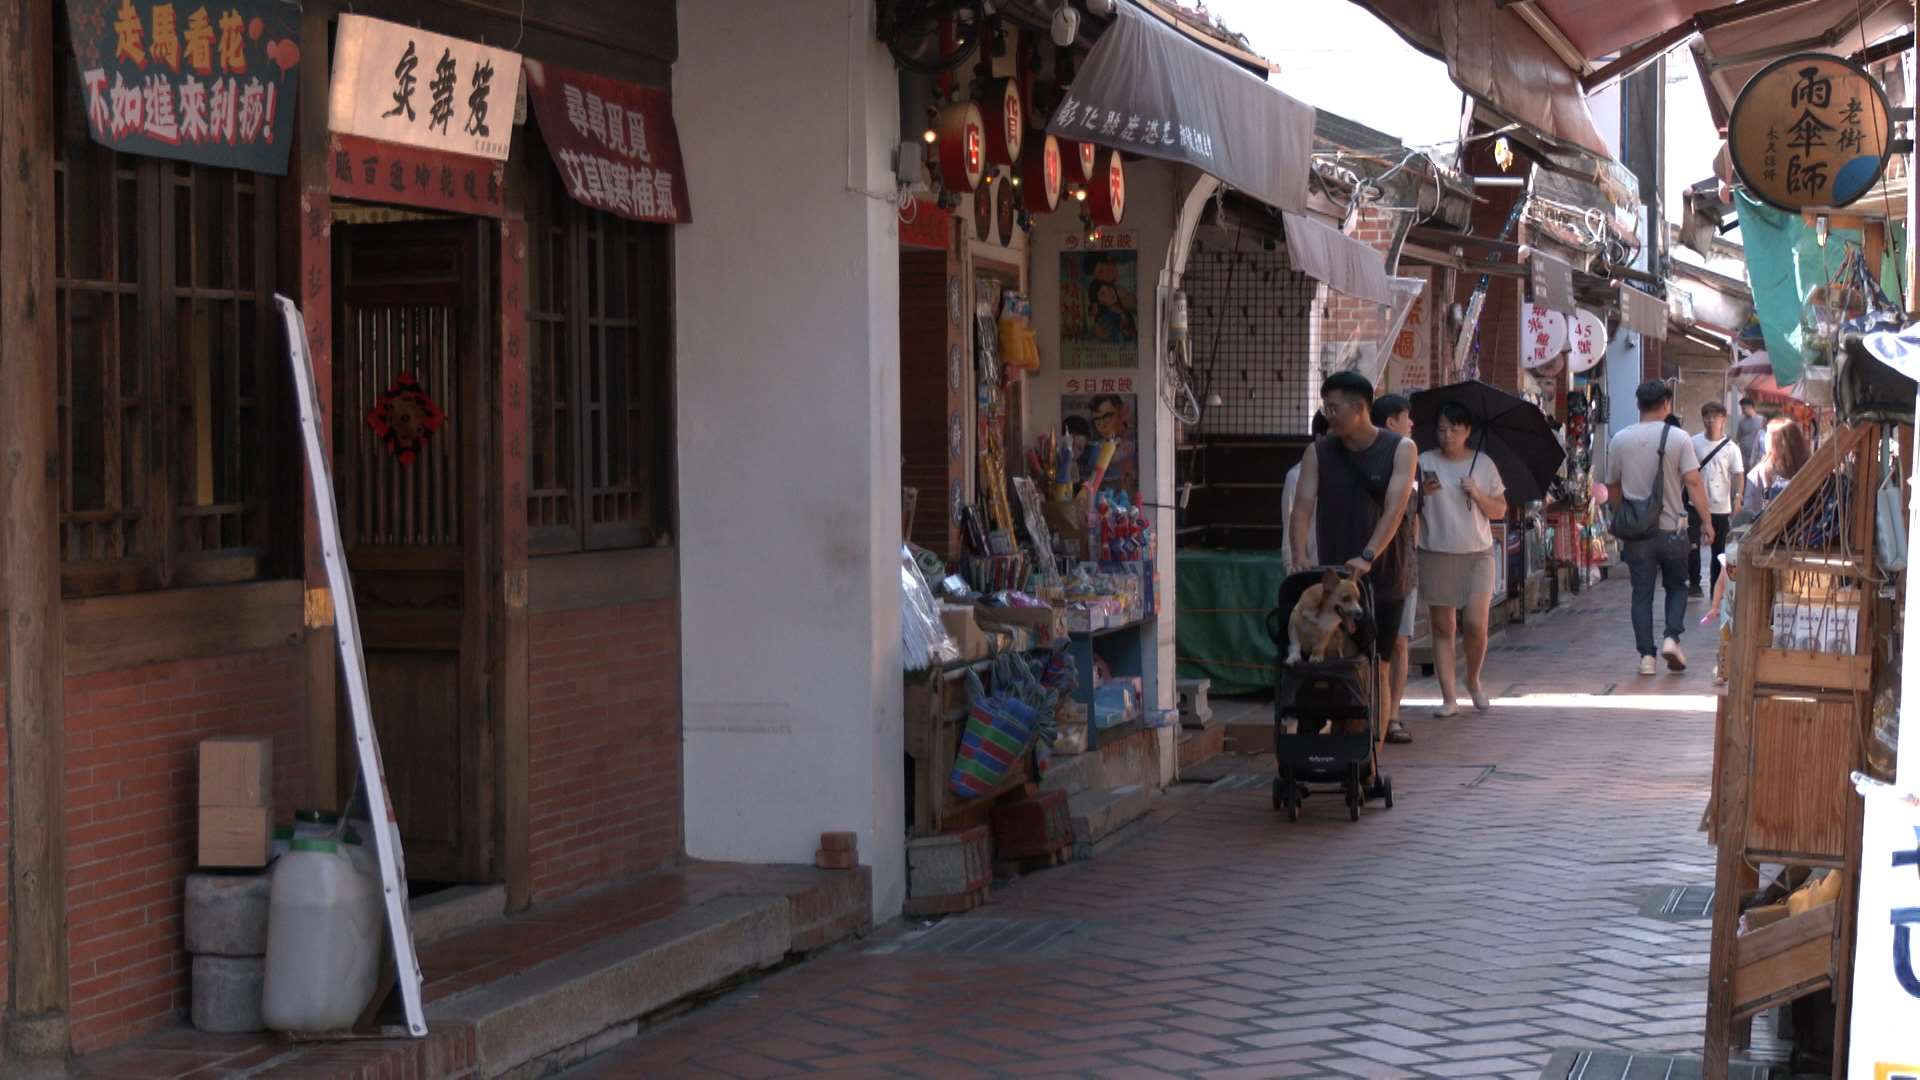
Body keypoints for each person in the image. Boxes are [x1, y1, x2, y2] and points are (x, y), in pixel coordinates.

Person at [1288, 372, 1418, 743]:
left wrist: (1368, 554)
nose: (1327, 415)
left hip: (1386, 576)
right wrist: (1299, 556)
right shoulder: (1318, 452)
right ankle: (1334, 746)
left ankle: (1370, 757)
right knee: (1332, 659)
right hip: (1335, 583)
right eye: (1325, 407)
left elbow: (1395, 508)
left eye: (1334, 408)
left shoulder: (1401, 448)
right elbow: (1302, 508)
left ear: (1359, 408)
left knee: (1378, 665)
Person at [1603, 380, 1715, 676]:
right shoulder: (1679, 438)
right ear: (1666, 404)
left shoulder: (1619, 440)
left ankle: (1646, 658)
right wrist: (1707, 521)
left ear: (1638, 405)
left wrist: (1626, 516)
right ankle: (1671, 638)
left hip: (1638, 535)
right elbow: (1693, 482)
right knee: (1677, 586)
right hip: (1672, 530)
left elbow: (1612, 487)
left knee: (1641, 594)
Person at [1417, 401, 1507, 715]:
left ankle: (1473, 679)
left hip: (1478, 553)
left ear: (1468, 431)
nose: (1448, 436)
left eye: (1455, 430)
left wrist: (1477, 494)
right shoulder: (1424, 461)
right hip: (1436, 551)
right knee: (1443, 628)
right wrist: (1421, 494)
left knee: (1475, 624)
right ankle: (1449, 698)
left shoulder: (1483, 464)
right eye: (1442, 429)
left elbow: (1500, 510)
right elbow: (1404, 504)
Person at [1371, 394, 1418, 737]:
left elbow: (1414, 517)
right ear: (1391, 422)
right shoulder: (1372, 460)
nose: (1411, 423)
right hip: (1373, 567)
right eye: (1406, 417)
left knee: (1400, 641)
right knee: (1375, 648)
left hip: (1405, 567)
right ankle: (1371, 714)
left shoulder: (1412, 460)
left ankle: (1393, 716)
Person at [1689, 402, 1744, 599]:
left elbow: (1738, 474)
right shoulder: (1693, 443)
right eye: (1707, 416)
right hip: (1695, 504)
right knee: (1692, 545)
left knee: (1719, 551)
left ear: (1723, 419)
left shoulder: (1731, 448)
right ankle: (1694, 583)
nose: (1710, 420)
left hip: (1721, 506)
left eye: (1715, 416)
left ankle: (1715, 589)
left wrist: (1737, 499)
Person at [1738, 417, 1812, 526]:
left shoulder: (1759, 473)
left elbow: (1749, 512)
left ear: (1775, 442)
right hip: (1807, 529)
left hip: (1769, 531)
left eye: (1767, 435)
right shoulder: (1810, 468)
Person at [1281, 411, 1329, 576]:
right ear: (1320, 438)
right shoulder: (1296, 476)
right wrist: (1294, 572)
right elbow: (1288, 531)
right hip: (1311, 571)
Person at [1735, 396, 1767, 472]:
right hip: (1744, 456)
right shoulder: (1741, 422)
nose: (1742, 411)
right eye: (1742, 409)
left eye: (1743, 408)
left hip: (1757, 456)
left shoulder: (1762, 420)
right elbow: (1738, 437)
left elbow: (1766, 437)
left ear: (1750, 407)